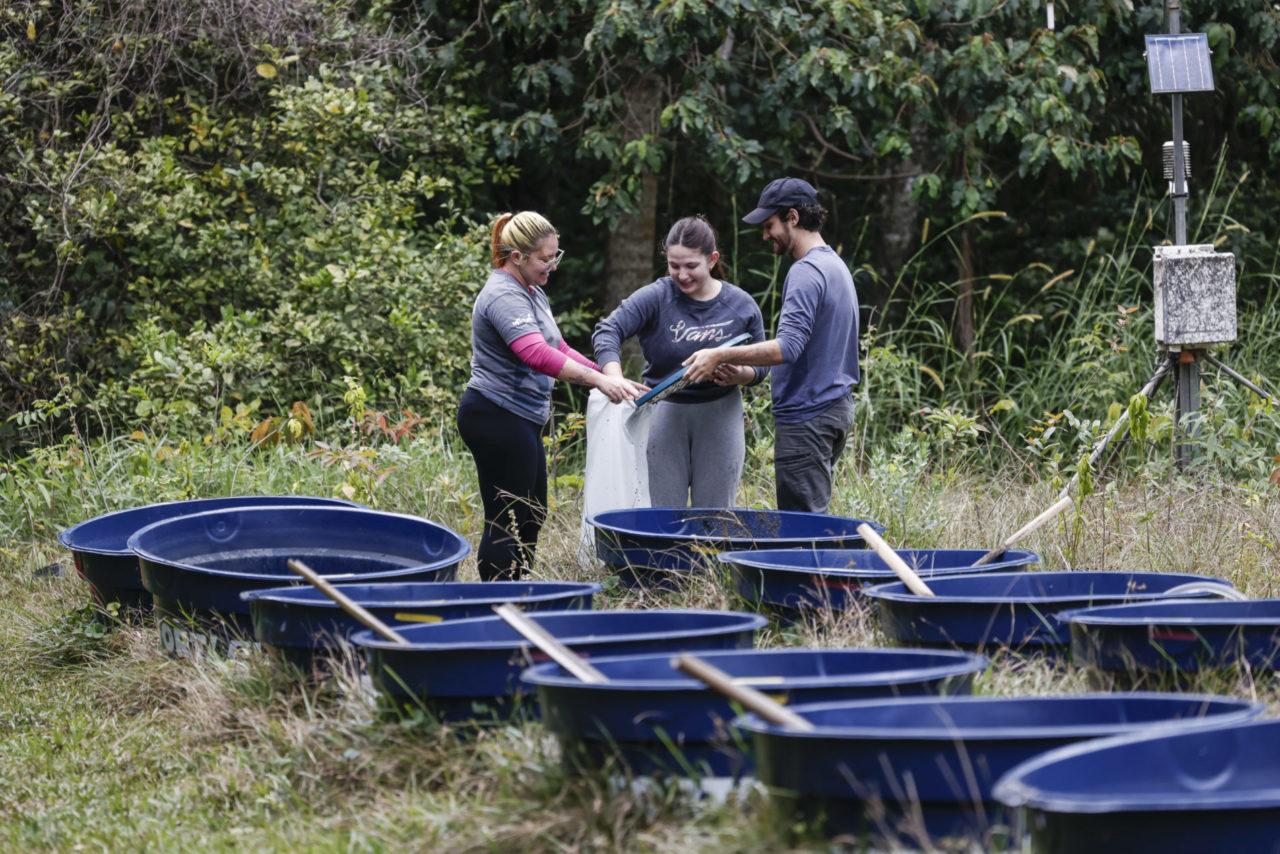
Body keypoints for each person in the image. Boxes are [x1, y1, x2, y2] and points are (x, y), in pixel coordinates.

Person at [458, 211, 642, 581]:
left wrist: (608, 376)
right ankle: (498, 595)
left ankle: (521, 585)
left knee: (533, 510)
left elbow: (557, 346)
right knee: (508, 514)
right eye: (545, 258)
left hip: (520, 417)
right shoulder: (502, 295)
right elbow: (536, 354)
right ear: (517, 257)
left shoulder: (532, 291)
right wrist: (598, 380)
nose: (553, 265)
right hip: (495, 414)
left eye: (556, 255)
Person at [683, 178, 859, 513]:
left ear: (793, 217)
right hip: (835, 409)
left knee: (801, 528)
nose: (765, 236)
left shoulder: (806, 272)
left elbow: (787, 348)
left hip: (807, 416)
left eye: (769, 225)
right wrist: (744, 372)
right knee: (811, 518)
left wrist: (719, 354)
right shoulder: (835, 265)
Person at [593, 216, 767, 507]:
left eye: (691, 266)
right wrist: (614, 377)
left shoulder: (741, 305)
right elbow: (607, 330)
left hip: (720, 413)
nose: (682, 275)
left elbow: (763, 363)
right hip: (663, 411)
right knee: (662, 515)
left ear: (712, 260)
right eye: (674, 266)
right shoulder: (656, 297)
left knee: (713, 517)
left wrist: (742, 374)